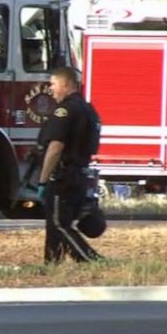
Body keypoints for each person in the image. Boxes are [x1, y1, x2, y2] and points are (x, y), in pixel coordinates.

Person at [37, 66, 102, 264]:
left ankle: (91, 261)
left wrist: (43, 180)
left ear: (66, 85)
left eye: (53, 84)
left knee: (59, 225)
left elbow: (56, 146)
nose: (51, 90)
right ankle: (52, 264)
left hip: (63, 176)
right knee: (55, 224)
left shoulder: (65, 110)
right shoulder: (88, 109)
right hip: (79, 175)